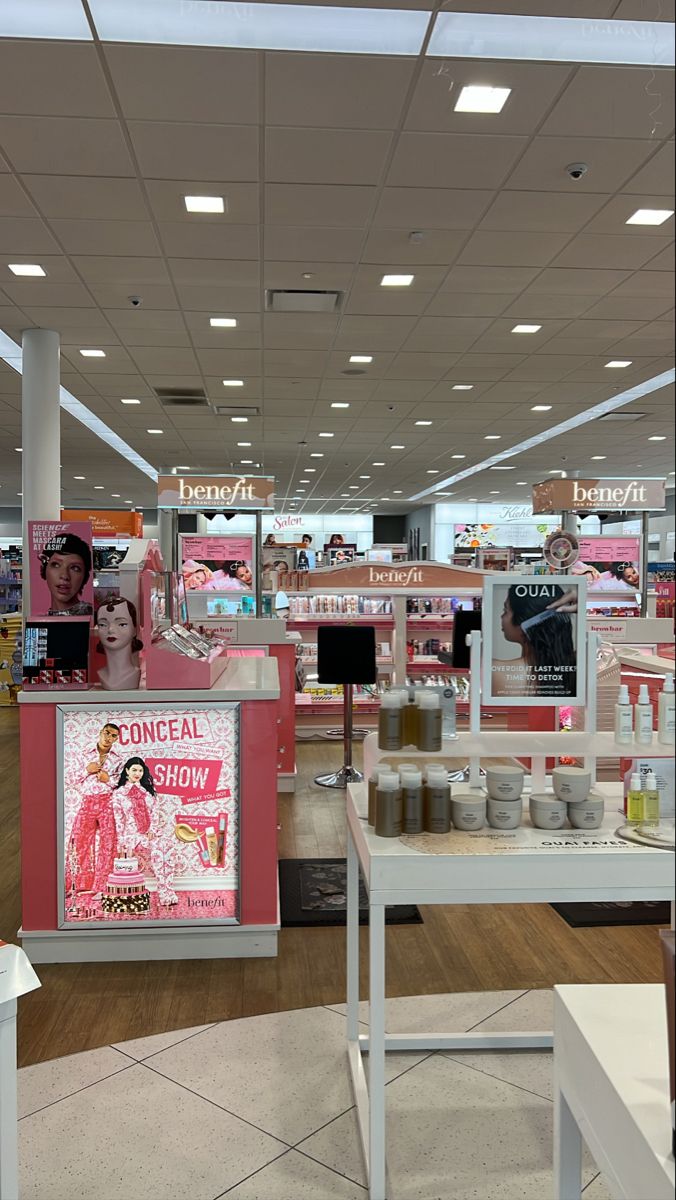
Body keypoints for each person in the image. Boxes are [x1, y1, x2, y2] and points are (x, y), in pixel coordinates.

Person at [112, 757, 178, 906]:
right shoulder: (119, 794)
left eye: (140, 770)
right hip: (131, 835)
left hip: (149, 832)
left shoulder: (149, 792)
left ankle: (166, 891)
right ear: (127, 771)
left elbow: (155, 813)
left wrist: (152, 830)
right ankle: (127, 895)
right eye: (134, 769)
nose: (137, 773)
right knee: (127, 859)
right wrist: (121, 840)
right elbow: (119, 819)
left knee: (164, 846)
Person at [65, 722, 122, 896]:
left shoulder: (118, 759)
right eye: (107, 733)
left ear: (117, 739)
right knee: (79, 843)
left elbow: (121, 785)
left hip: (107, 803)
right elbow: (70, 780)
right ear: (100, 732)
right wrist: (86, 770)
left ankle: (103, 887)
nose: (109, 738)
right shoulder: (84, 754)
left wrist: (107, 780)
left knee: (107, 844)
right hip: (87, 803)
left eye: (113, 736)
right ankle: (73, 885)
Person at [491, 583, 577, 698]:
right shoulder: (577, 668)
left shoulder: (493, 672)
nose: (502, 617)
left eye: (505, 610)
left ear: (525, 621)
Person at [39, 532, 93, 616]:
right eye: (56, 565)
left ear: (85, 576)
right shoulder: (40, 619)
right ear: (44, 569)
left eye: (75, 568)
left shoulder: (91, 616)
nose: (64, 576)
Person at [96, 597, 143, 691]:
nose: (110, 630)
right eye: (102, 624)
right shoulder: (101, 673)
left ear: (135, 630)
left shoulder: (134, 674)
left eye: (122, 624)